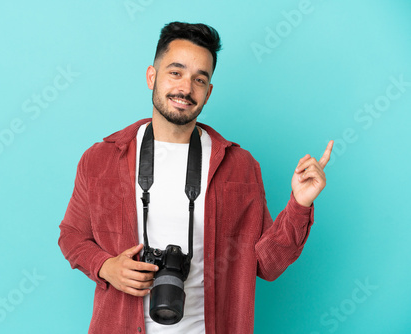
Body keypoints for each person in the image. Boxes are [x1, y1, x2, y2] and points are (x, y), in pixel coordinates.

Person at [58, 21, 333, 334]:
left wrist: (299, 204)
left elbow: (266, 264)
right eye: (175, 72)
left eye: (199, 80)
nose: (185, 88)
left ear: (208, 92)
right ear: (152, 77)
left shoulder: (239, 167)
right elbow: (72, 235)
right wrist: (106, 267)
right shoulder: (102, 159)